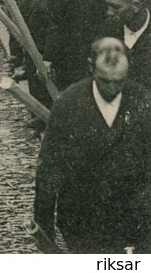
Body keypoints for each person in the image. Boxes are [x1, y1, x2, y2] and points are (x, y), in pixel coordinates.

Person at [33, 39, 151, 254]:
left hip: (133, 218)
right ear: (91, 68)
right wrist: (44, 226)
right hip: (82, 217)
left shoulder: (143, 100)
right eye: (106, 81)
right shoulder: (68, 104)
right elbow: (49, 165)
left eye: (119, 81)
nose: (113, 88)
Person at [98, 0, 151, 89]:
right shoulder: (108, 29)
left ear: (136, 6)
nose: (109, 12)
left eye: (115, 7)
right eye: (107, 6)